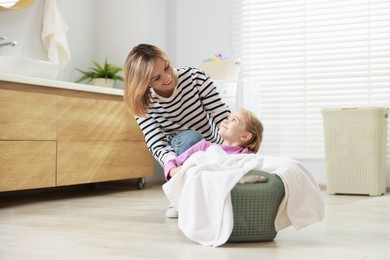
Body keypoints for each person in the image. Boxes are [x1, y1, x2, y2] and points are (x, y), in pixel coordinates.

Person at [123, 43, 231, 217]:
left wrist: (234, 146)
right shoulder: (143, 103)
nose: (167, 77)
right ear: (144, 83)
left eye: (167, 67)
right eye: (156, 78)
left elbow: (221, 116)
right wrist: (173, 169)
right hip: (180, 156)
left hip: (211, 146)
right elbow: (157, 143)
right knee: (190, 139)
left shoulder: (195, 78)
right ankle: (181, 197)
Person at [164, 108, 264, 181]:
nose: (226, 120)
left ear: (245, 136)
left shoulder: (246, 155)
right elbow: (172, 162)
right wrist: (174, 171)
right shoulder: (204, 146)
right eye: (228, 117)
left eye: (234, 120)